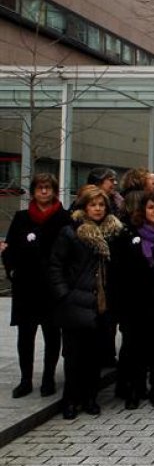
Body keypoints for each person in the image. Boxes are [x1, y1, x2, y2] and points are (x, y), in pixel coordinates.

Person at [48, 184, 126, 419]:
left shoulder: (114, 232)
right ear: (84, 206)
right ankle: (71, 400)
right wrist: (64, 294)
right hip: (75, 302)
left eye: (102, 205)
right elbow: (55, 266)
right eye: (93, 205)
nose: (98, 209)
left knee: (95, 356)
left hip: (102, 303)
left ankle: (91, 397)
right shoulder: (71, 232)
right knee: (73, 356)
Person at [2, 172, 71, 399]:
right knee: (25, 335)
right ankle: (25, 379)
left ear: (54, 191)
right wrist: (12, 270)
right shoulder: (22, 218)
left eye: (48, 188)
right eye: (40, 188)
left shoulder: (64, 218)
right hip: (26, 286)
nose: (44, 192)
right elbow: (9, 248)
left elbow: (70, 252)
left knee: (52, 334)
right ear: (33, 191)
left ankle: (48, 377)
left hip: (52, 287)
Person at [118, 193, 154, 410]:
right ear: (143, 210)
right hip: (136, 301)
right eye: (151, 207)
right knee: (135, 348)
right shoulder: (131, 234)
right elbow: (122, 268)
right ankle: (135, 390)